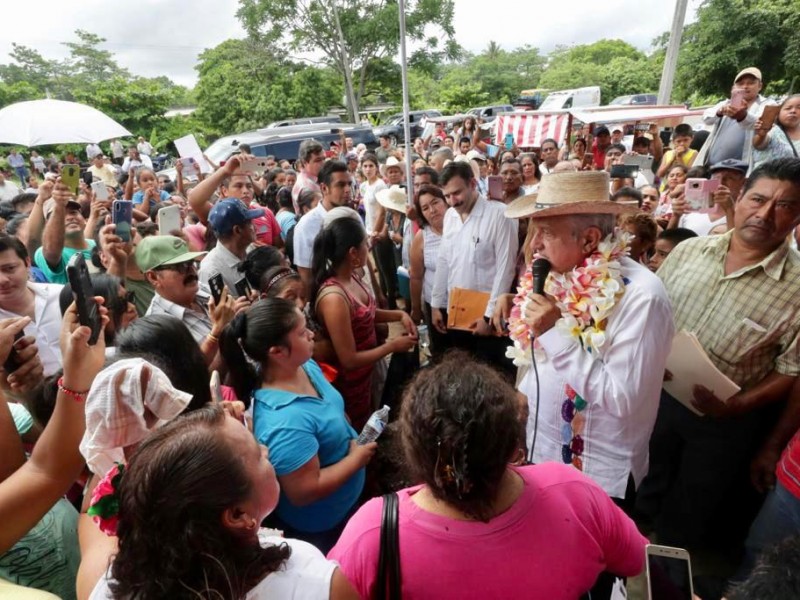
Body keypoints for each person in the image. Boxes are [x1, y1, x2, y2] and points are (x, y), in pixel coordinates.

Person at [329, 353, 648, 599]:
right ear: (513, 449)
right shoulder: (574, 494)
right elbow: (637, 561)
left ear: (412, 451)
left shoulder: (373, 534)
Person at [636, 157, 800, 552]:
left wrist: (738, 405)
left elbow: (791, 371)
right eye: (758, 199)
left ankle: (671, 579)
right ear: (739, 198)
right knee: (641, 487)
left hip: (725, 421)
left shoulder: (797, 287)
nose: (764, 214)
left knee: (690, 515)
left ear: (798, 218)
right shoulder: (689, 251)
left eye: (785, 206)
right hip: (655, 398)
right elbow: (647, 312)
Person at [499, 170, 674, 507]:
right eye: (534, 230)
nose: (534, 244)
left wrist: (552, 332)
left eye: (546, 232)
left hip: (598, 474)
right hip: (542, 448)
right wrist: (526, 390)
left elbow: (622, 399)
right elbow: (548, 357)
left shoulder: (643, 297)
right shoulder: (559, 273)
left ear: (590, 240)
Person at [77, 404, 359, 599]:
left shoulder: (110, 585)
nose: (266, 449)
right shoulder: (313, 583)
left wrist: (213, 445)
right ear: (237, 515)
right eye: (257, 455)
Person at [313, 213, 416, 430]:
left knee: (372, 424)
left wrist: (399, 315)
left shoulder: (353, 277)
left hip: (365, 378)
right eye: (364, 245)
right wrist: (392, 346)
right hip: (350, 387)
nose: (368, 248)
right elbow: (348, 359)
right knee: (359, 435)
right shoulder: (334, 298)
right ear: (353, 253)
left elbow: (366, 314)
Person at [430, 161, 518, 371]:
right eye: (447, 196)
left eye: (457, 193)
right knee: (463, 369)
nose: (452, 201)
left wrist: (489, 316)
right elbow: (444, 260)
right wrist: (436, 303)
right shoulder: (450, 216)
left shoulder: (500, 215)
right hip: (457, 310)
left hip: (486, 314)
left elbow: (505, 269)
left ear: (472, 183)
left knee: (489, 372)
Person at [136, 235, 239, 365]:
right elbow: (192, 379)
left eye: (191, 263)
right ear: (153, 277)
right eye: (181, 266)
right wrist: (219, 332)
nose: (191, 270)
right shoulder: (157, 328)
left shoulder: (201, 289)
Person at [696, 67, 773, 167]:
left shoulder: (769, 104)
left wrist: (743, 115)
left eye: (750, 83)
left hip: (744, 169)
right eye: (740, 84)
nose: (745, 86)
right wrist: (719, 112)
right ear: (734, 87)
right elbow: (706, 119)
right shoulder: (725, 103)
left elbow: (761, 124)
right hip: (714, 167)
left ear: (760, 86)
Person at [293, 161, 352, 291]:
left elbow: (363, 264)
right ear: (324, 188)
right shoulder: (305, 226)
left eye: (349, 184)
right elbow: (306, 275)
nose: (348, 190)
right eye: (341, 185)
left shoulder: (352, 215)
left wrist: (377, 292)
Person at [198, 198, 265, 297]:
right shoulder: (211, 271)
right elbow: (219, 311)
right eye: (250, 223)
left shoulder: (249, 248)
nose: (254, 227)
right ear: (237, 230)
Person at [667, 158, 746, 235]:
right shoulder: (691, 208)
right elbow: (668, 242)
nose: (721, 182)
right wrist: (675, 216)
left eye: (729, 178)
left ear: (743, 183)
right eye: (717, 177)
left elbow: (737, 244)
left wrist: (729, 210)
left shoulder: (744, 216)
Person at [409, 185, 445, 351]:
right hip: (436, 307)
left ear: (445, 201)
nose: (432, 210)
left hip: (464, 303)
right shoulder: (422, 237)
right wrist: (416, 310)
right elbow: (416, 277)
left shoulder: (461, 228)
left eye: (435, 202)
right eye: (425, 208)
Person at [753, 93, 800, 169]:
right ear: (779, 112)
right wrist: (762, 135)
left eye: (799, 108)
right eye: (788, 108)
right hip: (767, 178)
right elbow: (759, 144)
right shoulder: (772, 129)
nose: (793, 111)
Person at [292, 139, 325, 213]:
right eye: (318, 160)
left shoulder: (315, 179)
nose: (323, 163)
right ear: (304, 162)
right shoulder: (306, 186)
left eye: (324, 159)